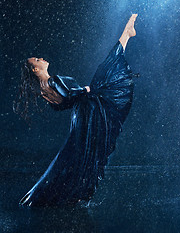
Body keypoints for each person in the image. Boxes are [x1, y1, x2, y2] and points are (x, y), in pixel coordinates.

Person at [14, 14, 138, 207]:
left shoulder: (46, 89)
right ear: (35, 70)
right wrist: (84, 90)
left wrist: (79, 94)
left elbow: (61, 105)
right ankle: (126, 33)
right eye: (37, 60)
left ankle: (72, 192)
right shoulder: (52, 80)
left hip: (82, 116)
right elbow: (71, 95)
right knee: (107, 70)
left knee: (79, 153)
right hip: (88, 110)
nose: (42, 58)